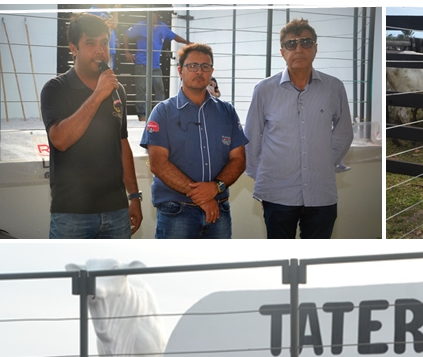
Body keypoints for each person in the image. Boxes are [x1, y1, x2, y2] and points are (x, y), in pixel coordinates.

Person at [245, 17, 353, 239]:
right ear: (282, 52)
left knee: (316, 256)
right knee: (281, 255)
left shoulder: (334, 87)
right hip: (277, 194)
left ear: (315, 48)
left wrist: (322, 163)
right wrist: (264, 182)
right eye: (291, 44)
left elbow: (344, 133)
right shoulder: (264, 90)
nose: (299, 49)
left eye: (306, 42)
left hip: (321, 193)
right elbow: (251, 139)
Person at [40, 13, 142, 239]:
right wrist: (98, 95)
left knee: (117, 265)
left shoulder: (117, 90)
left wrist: (135, 196)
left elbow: (122, 143)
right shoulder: (55, 89)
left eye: (104, 43)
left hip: (117, 211)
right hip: (72, 215)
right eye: (90, 43)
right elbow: (60, 140)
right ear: (73, 49)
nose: (100, 50)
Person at [140, 43, 246, 239]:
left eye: (205, 66)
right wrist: (203, 198)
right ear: (180, 71)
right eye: (192, 66)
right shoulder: (163, 112)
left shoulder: (227, 112)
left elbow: (238, 159)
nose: (199, 71)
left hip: (219, 211)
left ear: (212, 71)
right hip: (176, 212)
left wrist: (215, 187)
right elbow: (158, 163)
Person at [123, 11, 187, 121]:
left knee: (159, 89)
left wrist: (188, 43)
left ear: (156, 14)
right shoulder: (141, 25)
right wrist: (126, 52)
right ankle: (142, 114)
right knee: (141, 89)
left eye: (151, 13)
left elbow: (174, 36)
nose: (148, 16)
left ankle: (160, 113)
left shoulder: (163, 27)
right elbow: (126, 34)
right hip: (141, 63)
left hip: (156, 65)